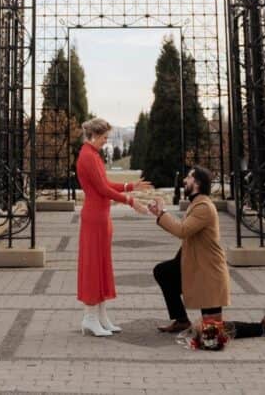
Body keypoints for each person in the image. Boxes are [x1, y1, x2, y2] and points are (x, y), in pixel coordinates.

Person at [75, 117, 151, 337]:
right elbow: (102, 188)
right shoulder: (88, 157)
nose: (106, 142)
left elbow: (105, 184)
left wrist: (130, 186)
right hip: (94, 217)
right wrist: (130, 201)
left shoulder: (93, 155)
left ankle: (100, 316)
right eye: (104, 137)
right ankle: (90, 317)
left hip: (100, 216)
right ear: (94, 135)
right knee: (93, 266)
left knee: (101, 265)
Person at [148, 165, 230, 332]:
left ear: (198, 183)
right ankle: (181, 320)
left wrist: (162, 212)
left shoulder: (204, 207)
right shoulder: (197, 204)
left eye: (189, 177)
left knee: (213, 330)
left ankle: (262, 327)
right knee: (164, 272)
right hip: (196, 265)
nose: (185, 180)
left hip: (209, 273)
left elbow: (182, 231)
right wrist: (160, 214)